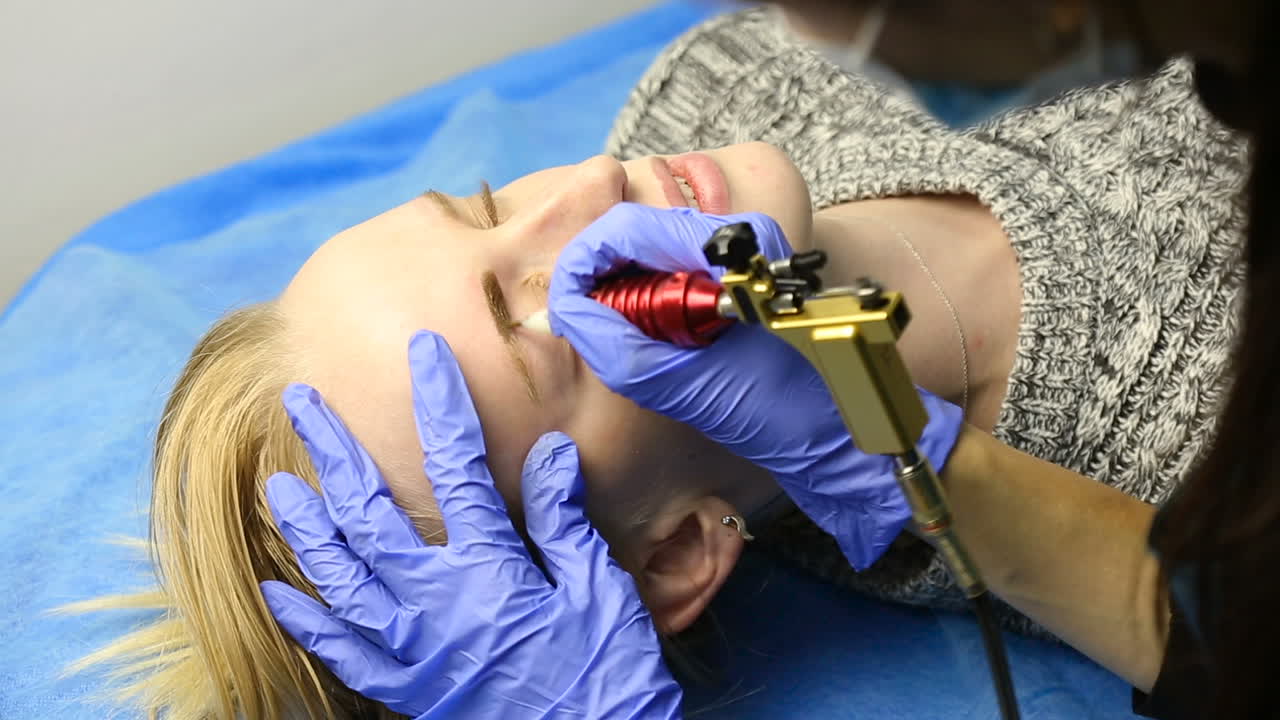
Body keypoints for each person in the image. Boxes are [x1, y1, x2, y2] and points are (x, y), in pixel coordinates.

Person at [260, 3, 1265, 720]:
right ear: (677, 555)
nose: (593, 183)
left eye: (487, 206)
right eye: (537, 327)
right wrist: (898, 442)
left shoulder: (725, 88)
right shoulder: (1209, 504)